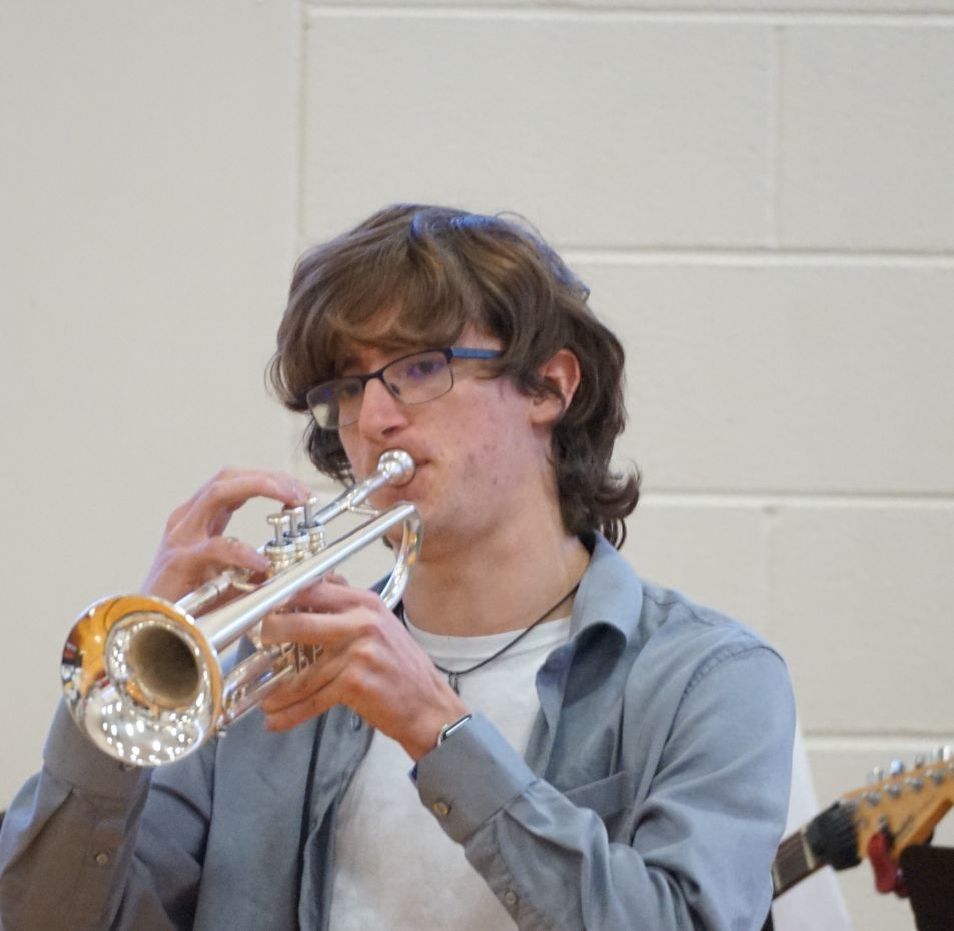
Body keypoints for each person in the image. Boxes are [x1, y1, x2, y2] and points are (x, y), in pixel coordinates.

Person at [0, 204, 795, 930]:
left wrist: (439, 731)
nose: (374, 418)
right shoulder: (270, 680)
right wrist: (114, 709)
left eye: (419, 367)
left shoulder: (710, 679)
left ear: (549, 386)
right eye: (348, 387)